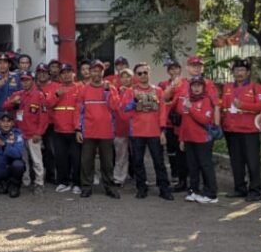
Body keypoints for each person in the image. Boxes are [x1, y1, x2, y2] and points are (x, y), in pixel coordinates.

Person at [120, 63, 173, 201]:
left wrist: (162, 130)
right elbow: (124, 110)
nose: (143, 75)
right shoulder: (131, 91)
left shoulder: (158, 91)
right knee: (137, 162)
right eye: (140, 73)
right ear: (136, 76)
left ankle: (164, 189)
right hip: (137, 132)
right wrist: (134, 102)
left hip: (154, 132)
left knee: (159, 162)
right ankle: (141, 188)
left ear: (149, 73)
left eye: (145, 72)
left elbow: (162, 111)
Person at [222, 58, 261, 202]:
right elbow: (223, 105)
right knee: (236, 161)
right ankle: (239, 188)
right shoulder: (228, 87)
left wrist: (243, 105)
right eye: (236, 70)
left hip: (249, 131)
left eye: (242, 70)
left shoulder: (256, 87)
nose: (239, 73)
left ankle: (255, 190)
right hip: (232, 130)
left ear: (248, 72)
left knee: (252, 161)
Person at [76, 69, 120, 199]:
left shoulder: (111, 88)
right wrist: (78, 129)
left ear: (103, 72)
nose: (97, 73)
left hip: (106, 131)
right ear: (90, 73)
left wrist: (107, 92)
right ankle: (86, 187)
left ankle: (109, 187)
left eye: (99, 71)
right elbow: (78, 111)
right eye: (94, 71)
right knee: (86, 162)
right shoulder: (84, 89)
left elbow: (115, 106)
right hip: (88, 131)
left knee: (107, 163)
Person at [176, 77, 219, 204]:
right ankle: (193, 190)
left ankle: (211, 194)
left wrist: (191, 108)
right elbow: (184, 121)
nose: (196, 88)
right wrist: (182, 139)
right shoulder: (187, 99)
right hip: (189, 138)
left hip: (202, 138)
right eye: (194, 85)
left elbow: (204, 119)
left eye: (199, 85)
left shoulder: (206, 100)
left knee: (206, 165)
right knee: (192, 166)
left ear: (203, 87)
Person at [4, 73, 48, 195]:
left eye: (27, 80)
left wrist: (39, 133)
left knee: (37, 161)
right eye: (23, 80)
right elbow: (5, 106)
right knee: (23, 160)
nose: (25, 83)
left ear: (32, 81)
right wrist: (13, 102)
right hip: (20, 134)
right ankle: (26, 181)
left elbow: (44, 117)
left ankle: (39, 183)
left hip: (33, 134)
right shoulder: (17, 94)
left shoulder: (39, 96)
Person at [49, 65, 83, 194]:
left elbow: (80, 109)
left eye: (69, 72)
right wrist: (57, 95)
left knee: (76, 158)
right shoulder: (55, 88)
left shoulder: (80, 88)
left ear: (74, 74)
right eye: (63, 73)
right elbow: (49, 104)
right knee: (60, 158)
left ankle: (77, 183)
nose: (66, 75)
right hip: (58, 130)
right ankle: (63, 181)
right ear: (60, 75)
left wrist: (78, 128)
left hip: (74, 130)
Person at [158, 60, 187, 191]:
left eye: (176, 69)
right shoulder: (163, 84)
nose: (174, 71)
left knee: (182, 151)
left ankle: (184, 176)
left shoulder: (187, 83)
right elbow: (162, 99)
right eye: (171, 69)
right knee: (171, 151)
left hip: (181, 123)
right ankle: (174, 173)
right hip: (168, 122)